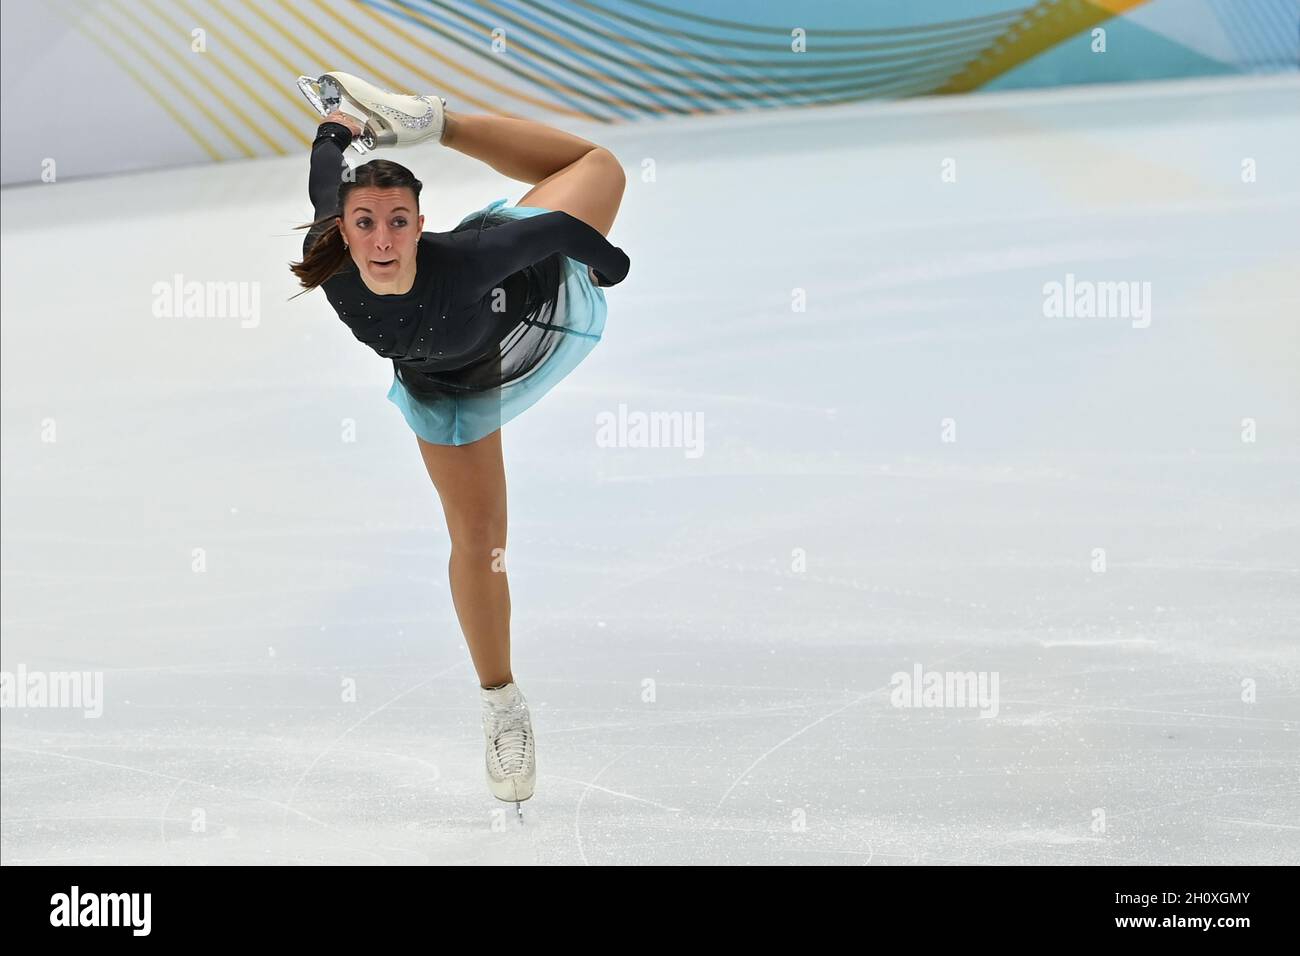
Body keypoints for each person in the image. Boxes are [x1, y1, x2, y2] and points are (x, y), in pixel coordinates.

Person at [288, 77, 630, 810]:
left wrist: (607, 270)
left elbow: (569, 235)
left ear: (420, 224)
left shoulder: (470, 260)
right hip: (448, 387)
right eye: (366, 223)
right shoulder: (333, 245)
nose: (382, 240)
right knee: (479, 536)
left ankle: (437, 124)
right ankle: (502, 705)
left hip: (532, 284)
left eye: (400, 222)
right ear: (342, 231)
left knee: (600, 166)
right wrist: (336, 129)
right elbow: (325, 174)